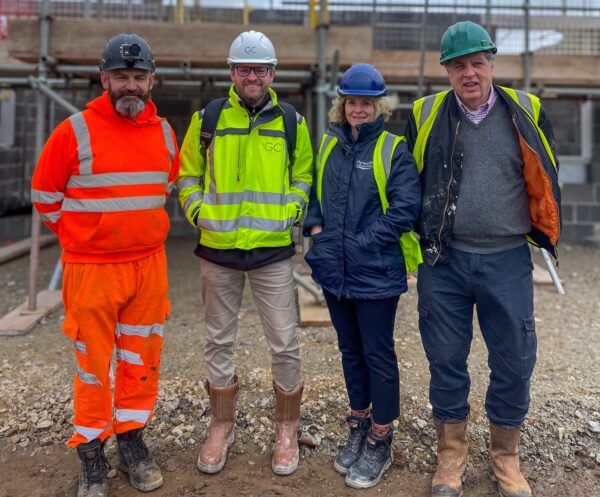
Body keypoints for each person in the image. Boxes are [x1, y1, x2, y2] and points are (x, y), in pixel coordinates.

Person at [404, 21, 561, 497]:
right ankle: (450, 457)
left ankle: (506, 458)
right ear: (446, 71)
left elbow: (546, 175)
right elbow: (409, 182)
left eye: (477, 63)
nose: (469, 73)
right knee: (446, 359)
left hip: (507, 258)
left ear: (491, 63)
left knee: (513, 360)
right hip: (443, 261)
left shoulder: (526, 110)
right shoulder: (425, 113)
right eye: (458, 65)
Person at [31, 34, 179, 497]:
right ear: (105, 79)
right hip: (91, 269)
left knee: (141, 358)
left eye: (138, 77)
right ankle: (91, 452)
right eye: (121, 77)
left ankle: (131, 440)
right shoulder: (74, 131)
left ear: (151, 81)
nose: (129, 85)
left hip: (148, 268)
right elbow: (44, 198)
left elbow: (164, 190)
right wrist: (87, 236)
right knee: (93, 365)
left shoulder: (165, 133)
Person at [177, 30, 313, 476]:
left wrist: (292, 209)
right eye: (242, 68)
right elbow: (187, 175)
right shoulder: (209, 118)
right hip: (218, 250)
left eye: (259, 69)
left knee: (285, 343)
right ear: (231, 72)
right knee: (218, 340)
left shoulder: (291, 121)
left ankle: (287, 427)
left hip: (272, 252)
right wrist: (199, 212)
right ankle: (220, 425)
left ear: (272, 73)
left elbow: (304, 176)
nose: (251, 76)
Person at [303, 64, 421, 489]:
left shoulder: (393, 149)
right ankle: (359, 423)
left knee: (378, 354)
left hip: (376, 272)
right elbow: (315, 195)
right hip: (334, 270)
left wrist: (365, 240)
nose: (358, 109)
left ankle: (381, 436)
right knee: (350, 351)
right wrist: (317, 236)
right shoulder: (330, 144)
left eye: (366, 103)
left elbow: (407, 208)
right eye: (351, 102)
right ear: (342, 105)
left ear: (378, 106)